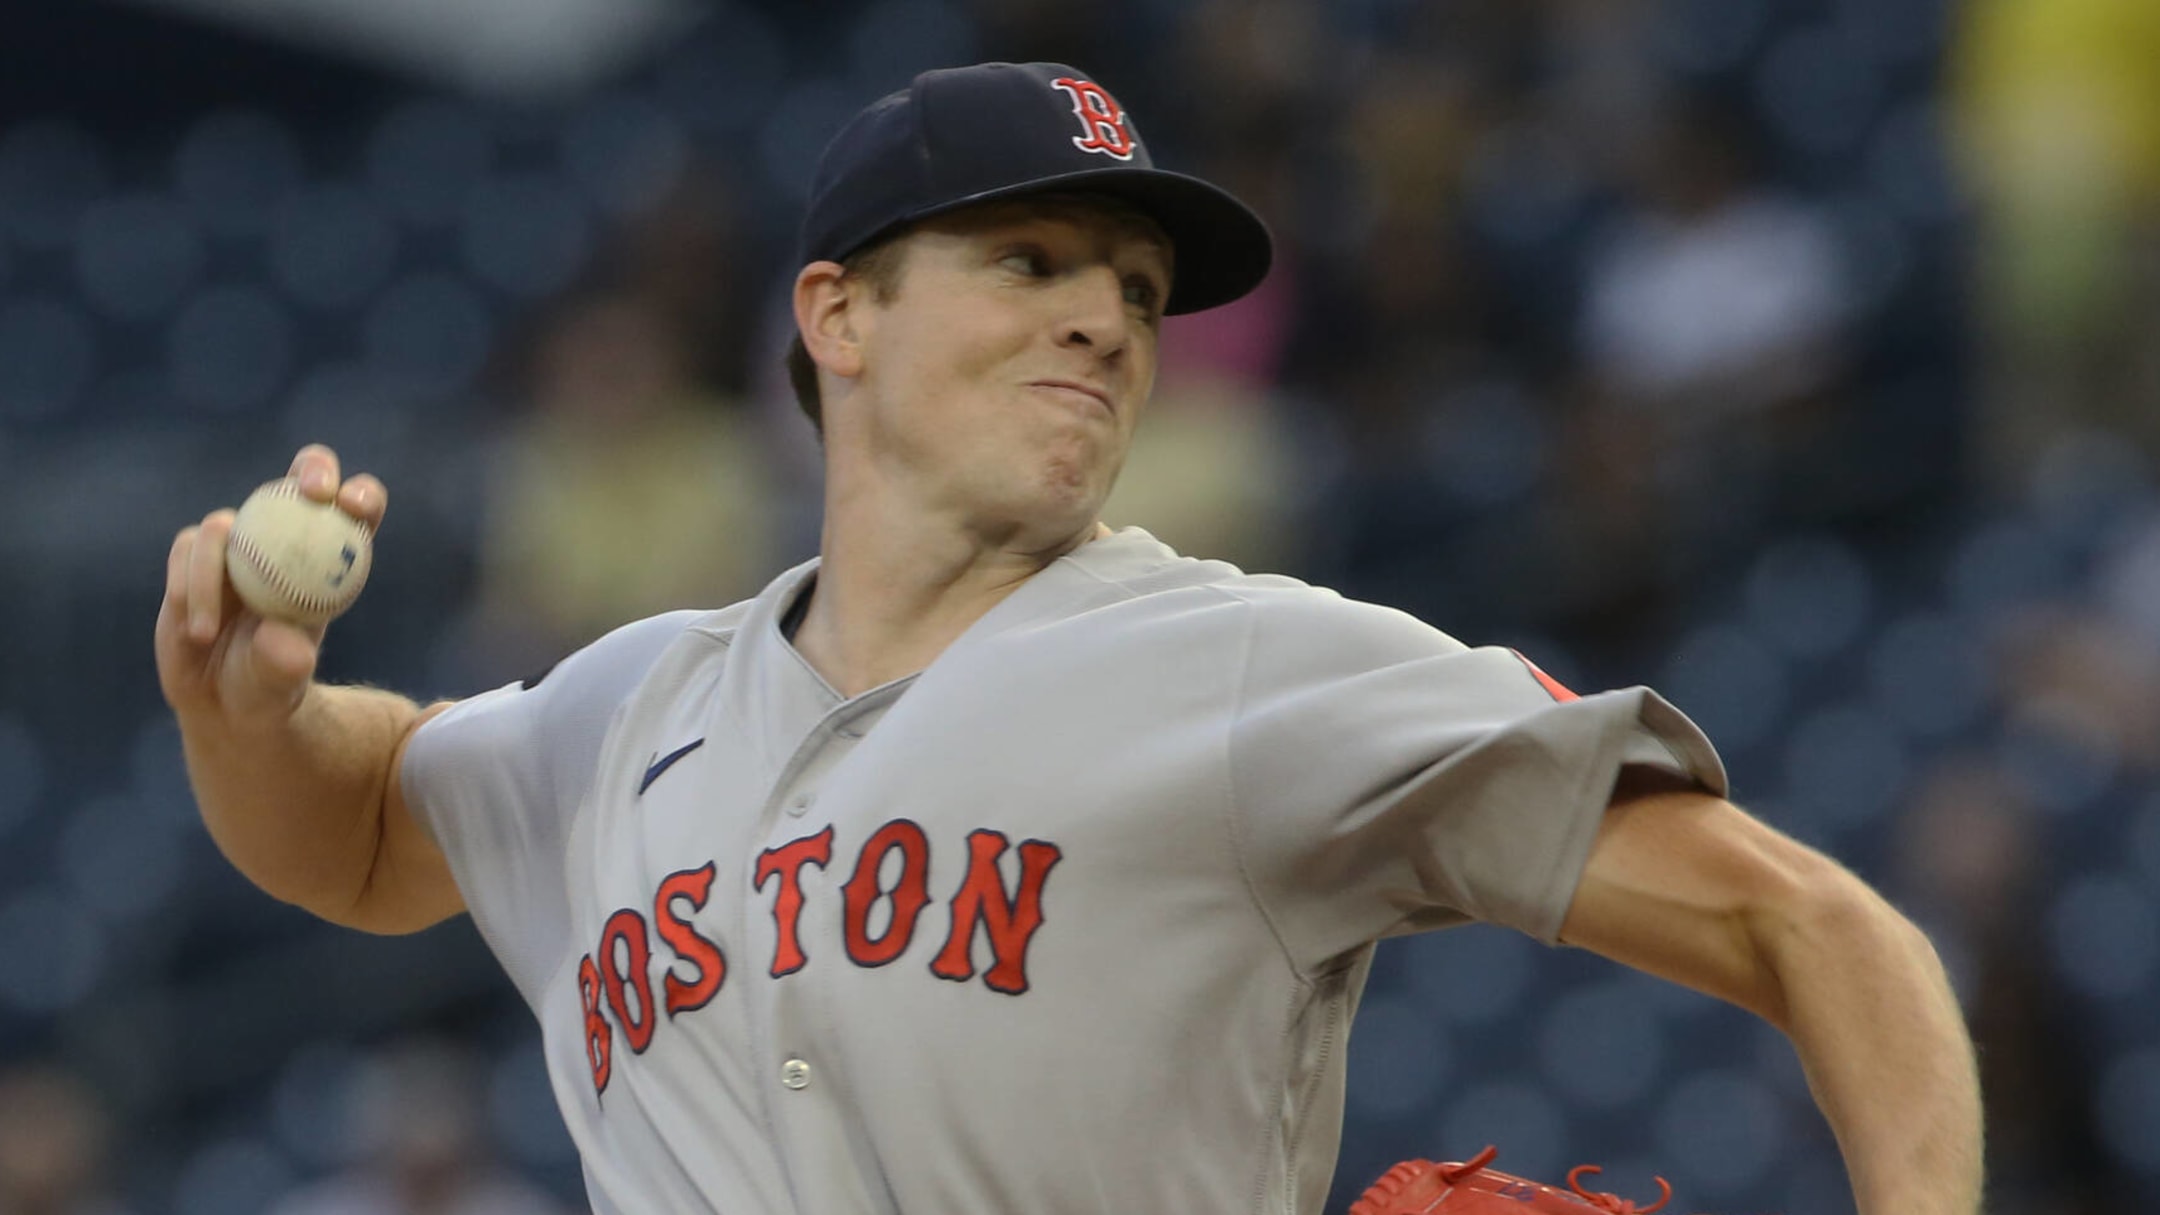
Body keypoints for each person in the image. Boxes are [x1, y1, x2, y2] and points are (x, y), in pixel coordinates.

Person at [156, 62, 1982, 1215]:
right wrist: (248, 708)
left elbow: (1804, 921)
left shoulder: (1258, 664)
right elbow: (375, 827)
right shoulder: (630, 707)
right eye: (1031, 264)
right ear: (838, 316)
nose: (1108, 322)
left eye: (1134, 292)